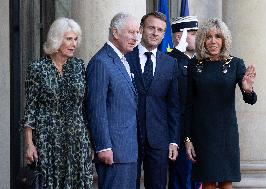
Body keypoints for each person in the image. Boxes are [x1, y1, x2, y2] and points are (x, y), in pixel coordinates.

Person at [184, 18, 257, 189]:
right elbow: (188, 104)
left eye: (218, 36)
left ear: (224, 39)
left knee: (226, 182)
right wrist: (187, 139)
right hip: (203, 134)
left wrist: (247, 89)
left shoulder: (235, 64)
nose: (213, 41)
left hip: (226, 134)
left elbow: (251, 100)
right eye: (208, 37)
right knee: (208, 182)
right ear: (202, 40)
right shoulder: (194, 65)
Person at [22, 17, 93, 188]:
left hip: (77, 139)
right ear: (56, 39)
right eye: (69, 39)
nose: (73, 44)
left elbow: (84, 106)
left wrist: (88, 140)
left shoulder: (78, 66)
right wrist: (29, 144)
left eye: (75, 39)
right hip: (48, 140)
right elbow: (30, 109)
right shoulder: (37, 68)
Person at [126, 11, 180, 189]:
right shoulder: (125, 57)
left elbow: (173, 105)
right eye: (151, 28)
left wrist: (173, 140)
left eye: (160, 30)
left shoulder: (170, 63)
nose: (155, 33)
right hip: (129, 136)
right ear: (141, 29)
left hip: (159, 138)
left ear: (164, 34)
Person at [86, 13, 139, 189]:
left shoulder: (122, 60)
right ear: (115, 33)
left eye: (137, 32)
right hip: (113, 151)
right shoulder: (101, 62)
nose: (135, 38)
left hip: (128, 150)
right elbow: (96, 108)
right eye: (131, 32)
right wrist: (103, 146)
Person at [168, 16, 201, 189]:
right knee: (182, 181)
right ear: (179, 37)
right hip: (179, 135)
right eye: (194, 34)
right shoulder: (170, 61)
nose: (199, 37)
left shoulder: (199, 63)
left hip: (198, 133)